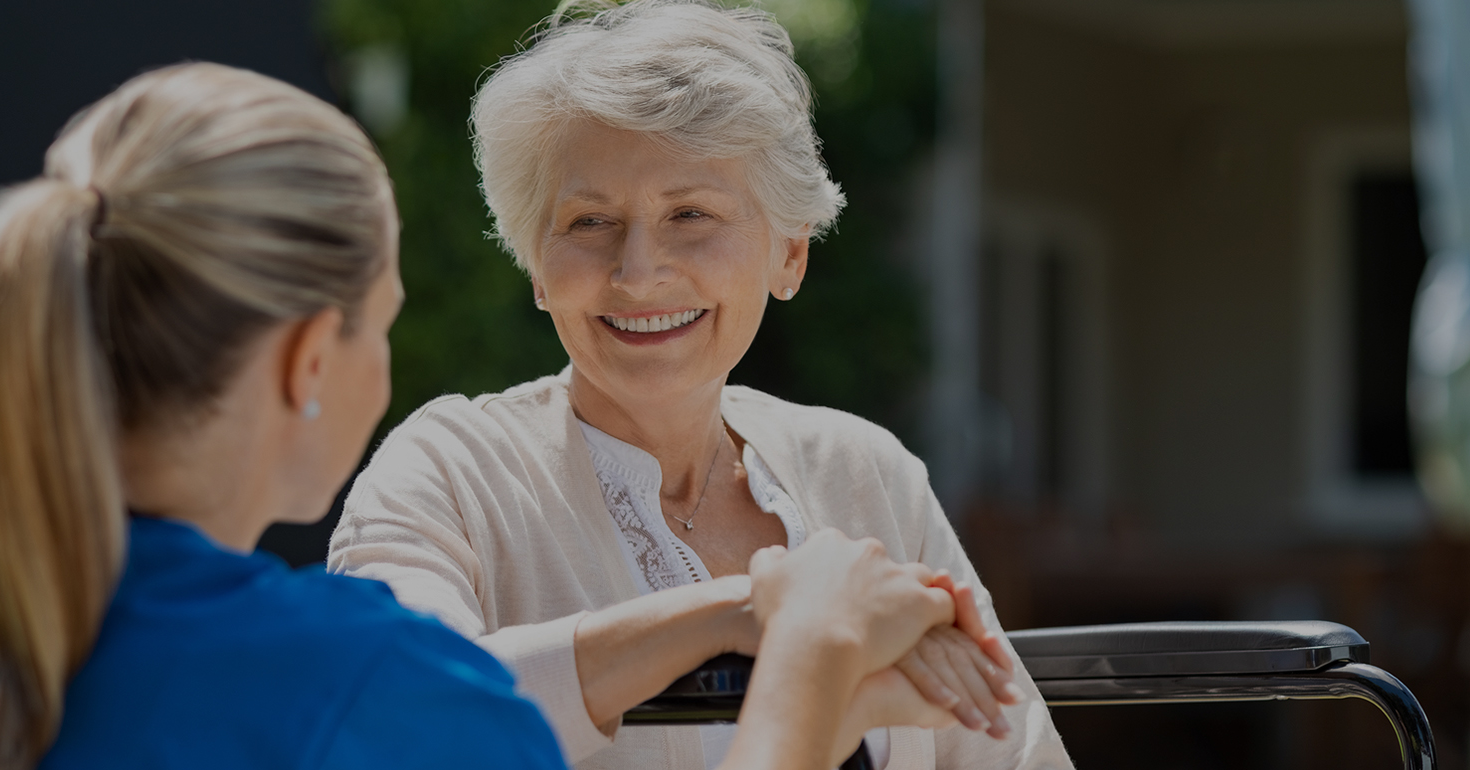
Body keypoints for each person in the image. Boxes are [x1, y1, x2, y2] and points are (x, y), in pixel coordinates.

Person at [0, 62, 959, 770]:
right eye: (383, 324)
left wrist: (729, 616)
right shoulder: (365, 685)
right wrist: (811, 662)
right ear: (313, 355)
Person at [326, 2, 1074, 769]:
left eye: (690, 213)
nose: (637, 271)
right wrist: (755, 613)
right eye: (588, 222)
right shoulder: (448, 471)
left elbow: (1013, 752)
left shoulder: (864, 470)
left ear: (789, 255)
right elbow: (394, 718)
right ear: (535, 267)